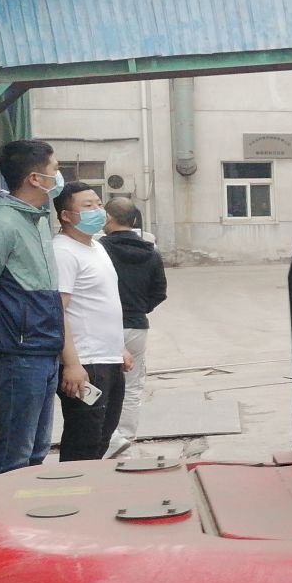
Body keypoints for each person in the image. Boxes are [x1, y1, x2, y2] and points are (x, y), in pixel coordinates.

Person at [0, 139, 67, 474]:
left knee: (37, 450)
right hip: (19, 352)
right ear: (35, 178)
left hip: (44, 347)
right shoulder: (0, 222)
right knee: (15, 453)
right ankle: (3, 508)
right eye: (55, 169)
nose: (59, 176)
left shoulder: (37, 220)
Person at [51, 184, 133, 460]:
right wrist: (72, 364)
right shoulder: (63, 251)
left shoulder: (96, 246)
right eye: (87, 206)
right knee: (84, 441)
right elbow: (58, 311)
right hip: (86, 363)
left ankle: (93, 484)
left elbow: (101, 303)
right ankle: (75, 485)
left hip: (108, 359)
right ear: (66, 215)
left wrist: (119, 348)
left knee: (103, 437)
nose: (98, 211)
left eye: (99, 204)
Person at [99, 196, 167, 457]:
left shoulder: (99, 250)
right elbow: (159, 292)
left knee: (100, 384)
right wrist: (139, 308)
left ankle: (110, 438)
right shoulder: (151, 253)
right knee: (132, 385)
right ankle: (125, 437)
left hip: (103, 326)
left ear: (108, 218)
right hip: (137, 326)